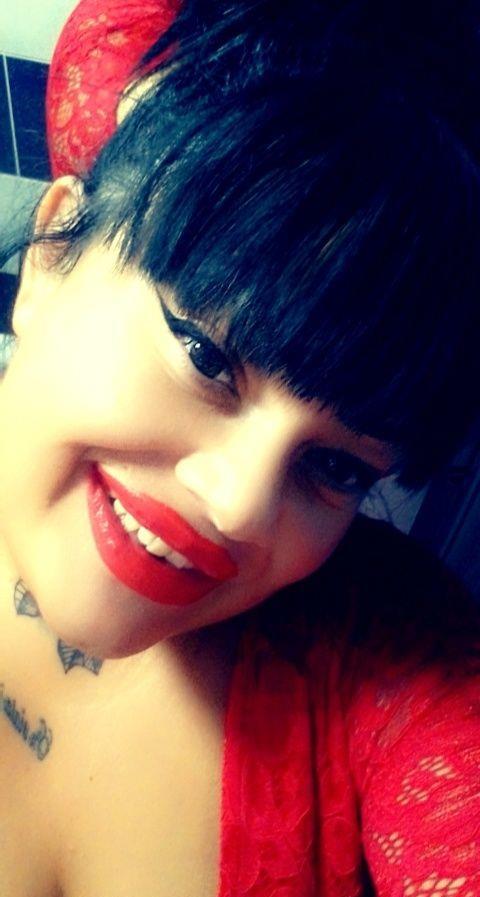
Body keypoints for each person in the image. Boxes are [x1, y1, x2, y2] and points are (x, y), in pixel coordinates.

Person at [0, 1, 479, 894]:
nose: (241, 504)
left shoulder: (389, 647)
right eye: (206, 356)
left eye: (335, 467)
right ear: (52, 258)